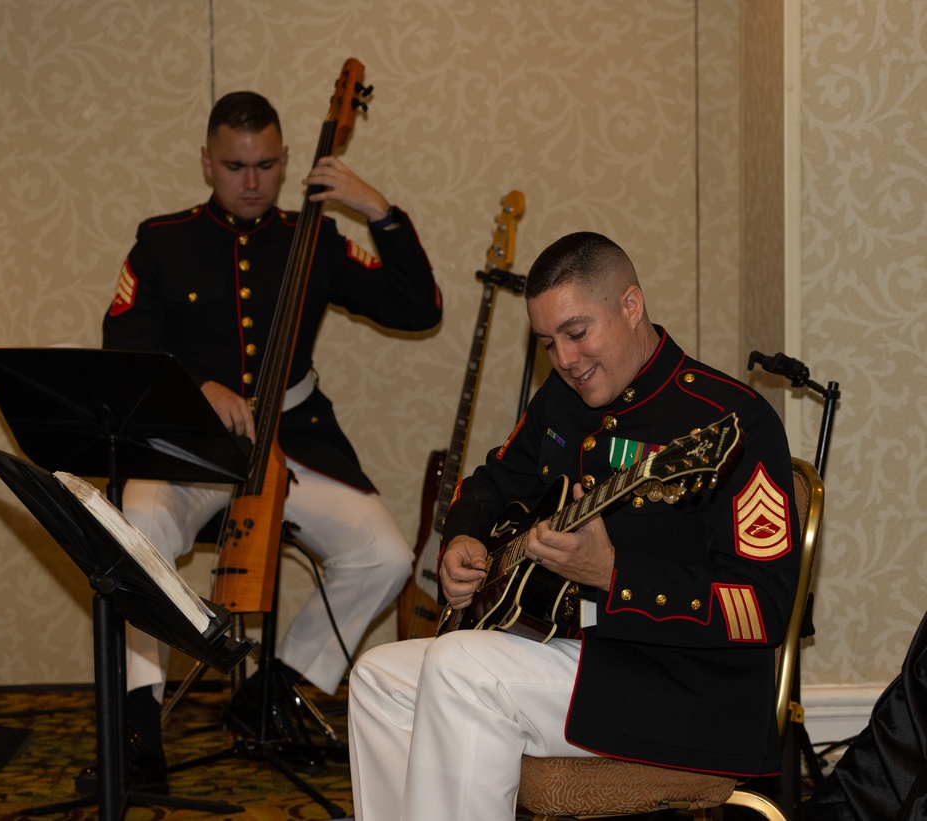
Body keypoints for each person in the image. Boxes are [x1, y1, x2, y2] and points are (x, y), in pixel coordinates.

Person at [347, 231, 801, 821]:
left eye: (577, 332)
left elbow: (762, 608)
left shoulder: (733, 421)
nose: (564, 359)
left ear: (631, 306)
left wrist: (613, 575)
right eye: (547, 342)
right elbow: (491, 482)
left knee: (461, 669)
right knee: (378, 675)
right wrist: (465, 537)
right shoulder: (560, 400)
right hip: (572, 653)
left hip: (685, 688)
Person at [95, 90, 442, 791]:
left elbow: (418, 307)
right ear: (206, 162)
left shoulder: (313, 239)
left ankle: (271, 689)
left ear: (287, 162)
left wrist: (378, 208)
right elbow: (124, 345)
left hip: (295, 438)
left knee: (385, 555)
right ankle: (138, 724)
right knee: (138, 525)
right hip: (192, 444)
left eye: (265, 164)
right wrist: (196, 385)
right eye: (233, 165)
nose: (250, 181)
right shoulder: (162, 240)